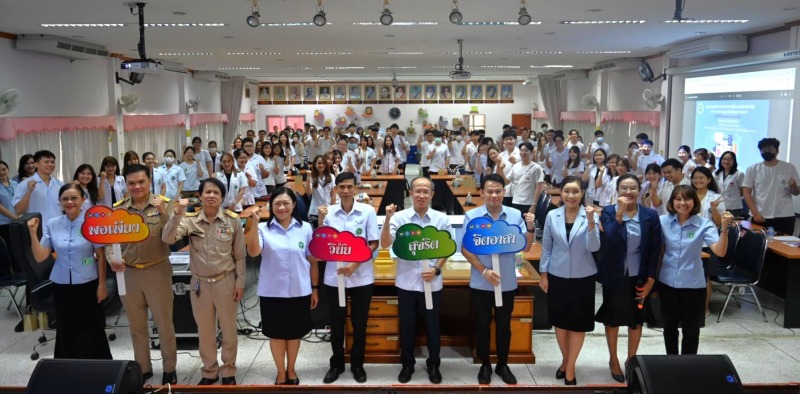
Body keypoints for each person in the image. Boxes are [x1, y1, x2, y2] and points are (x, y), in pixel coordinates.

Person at [163, 178, 246, 385]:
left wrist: (240, 283)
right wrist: (177, 214)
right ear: (199, 196)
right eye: (207, 192)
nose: (211, 196)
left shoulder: (232, 220)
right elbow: (168, 239)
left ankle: (228, 371)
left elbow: (240, 255)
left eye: (215, 193)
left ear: (222, 197)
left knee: (228, 330)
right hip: (199, 284)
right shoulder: (189, 219)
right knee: (205, 332)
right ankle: (209, 371)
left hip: (225, 281)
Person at [105, 164, 178, 384]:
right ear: (125, 184)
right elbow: (109, 242)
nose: (136, 187)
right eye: (131, 183)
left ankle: (169, 368)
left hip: (157, 271)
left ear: (150, 181)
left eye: (141, 182)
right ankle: (143, 367)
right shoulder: (118, 210)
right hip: (128, 274)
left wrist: (165, 215)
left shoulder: (164, 205)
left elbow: (173, 237)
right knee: (136, 326)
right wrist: (111, 259)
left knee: (164, 324)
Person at [462, 174, 535, 385]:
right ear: (481, 193)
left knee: (504, 325)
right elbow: (466, 248)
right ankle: (485, 364)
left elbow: (526, 246)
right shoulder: (472, 216)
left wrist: (530, 228)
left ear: (504, 192)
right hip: (481, 282)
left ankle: (503, 364)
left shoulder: (514, 215)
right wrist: (483, 270)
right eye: (490, 191)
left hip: (507, 282)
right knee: (482, 324)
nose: (494, 195)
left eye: (498, 191)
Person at [380, 177, 452, 384]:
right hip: (406, 282)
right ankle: (407, 364)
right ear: (410, 193)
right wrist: (387, 219)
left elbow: (448, 248)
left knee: (433, 326)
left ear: (432, 195)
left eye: (425, 191)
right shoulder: (399, 218)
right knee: (408, 326)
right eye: (417, 191)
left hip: (433, 283)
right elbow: (385, 244)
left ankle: (434, 364)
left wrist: (436, 269)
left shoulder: (441, 219)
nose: (421, 195)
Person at [28, 183, 111, 359]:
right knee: (66, 326)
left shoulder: (91, 223)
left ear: (83, 200)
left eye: (74, 198)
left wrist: (102, 284)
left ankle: (98, 365)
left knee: (92, 325)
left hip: (88, 282)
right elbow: (41, 256)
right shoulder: (52, 224)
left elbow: (100, 257)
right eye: (65, 199)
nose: (69, 202)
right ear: (60, 202)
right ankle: (67, 365)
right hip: (61, 284)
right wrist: (33, 234)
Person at [245, 187, 318, 385]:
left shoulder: (305, 228)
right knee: (276, 334)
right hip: (272, 291)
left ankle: (291, 370)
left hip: (300, 290)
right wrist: (252, 224)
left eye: (286, 203)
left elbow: (312, 260)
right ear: (271, 206)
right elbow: (253, 252)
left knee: (294, 334)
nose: (282, 207)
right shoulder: (262, 229)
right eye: (277, 204)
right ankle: (280, 371)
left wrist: (315, 288)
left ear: (294, 205)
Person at [595, 174, 662, 383]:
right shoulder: (607, 212)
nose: (628, 192)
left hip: (639, 274)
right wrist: (620, 214)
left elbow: (654, 249)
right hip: (615, 274)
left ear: (639, 191)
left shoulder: (650, 215)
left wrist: (651, 278)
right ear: (617, 190)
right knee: (613, 317)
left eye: (633, 188)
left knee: (636, 319)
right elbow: (611, 241)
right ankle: (613, 359)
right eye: (624, 188)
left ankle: (631, 360)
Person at [317, 172, 379, 384]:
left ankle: (357, 364)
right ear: (336, 189)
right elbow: (321, 243)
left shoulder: (367, 211)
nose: (345, 191)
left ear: (356, 188)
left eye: (349, 187)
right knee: (336, 323)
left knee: (359, 323)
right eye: (341, 187)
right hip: (334, 277)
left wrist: (354, 264)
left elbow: (373, 243)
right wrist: (320, 219)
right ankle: (336, 364)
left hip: (361, 276)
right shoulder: (329, 212)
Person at [539, 176, 600, 385]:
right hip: (557, 275)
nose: (570, 196)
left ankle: (570, 366)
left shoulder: (590, 215)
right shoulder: (552, 215)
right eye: (566, 191)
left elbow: (594, 247)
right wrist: (544, 274)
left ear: (582, 193)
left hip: (583, 276)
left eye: (575, 191)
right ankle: (565, 360)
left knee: (578, 324)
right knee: (560, 322)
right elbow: (546, 246)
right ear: (561, 192)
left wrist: (592, 222)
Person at [659, 186, 733, 355]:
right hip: (666, 282)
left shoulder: (704, 224)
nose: (682, 203)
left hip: (693, 285)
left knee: (691, 330)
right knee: (669, 327)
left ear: (695, 202)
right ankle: (671, 362)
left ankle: (688, 364)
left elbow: (719, 251)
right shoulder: (663, 221)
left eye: (687, 199)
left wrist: (724, 229)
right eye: (678, 199)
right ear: (672, 202)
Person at [742, 138, 800, 236]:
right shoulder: (753, 169)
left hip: (784, 215)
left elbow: (796, 192)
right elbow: (746, 192)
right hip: (760, 215)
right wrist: (755, 213)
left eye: (770, 149)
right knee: (759, 246)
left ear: (777, 151)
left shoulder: (789, 167)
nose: (766, 151)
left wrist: (793, 186)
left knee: (783, 247)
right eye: (763, 149)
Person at [13, 150, 64, 223]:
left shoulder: (60, 184)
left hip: (58, 228)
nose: (50, 164)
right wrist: (29, 191)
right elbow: (18, 211)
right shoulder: (24, 184)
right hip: (36, 230)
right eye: (46, 162)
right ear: (36, 164)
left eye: (52, 162)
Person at [503, 142, 545, 215]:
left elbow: (539, 188)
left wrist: (534, 205)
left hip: (529, 203)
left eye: (526, 150)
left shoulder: (536, 168)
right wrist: (500, 169)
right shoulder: (515, 166)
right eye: (521, 150)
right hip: (515, 201)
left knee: (527, 225)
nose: (523, 152)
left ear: (531, 152)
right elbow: (506, 182)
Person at [306, 155, 336, 226]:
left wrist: (333, 209)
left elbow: (333, 194)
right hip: (315, 212)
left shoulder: (331, 176)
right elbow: (308, 193)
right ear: (314, 164)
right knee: (317, 234)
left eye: (323, 163)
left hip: (328, 211)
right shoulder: (312, 176)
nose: (321, 165)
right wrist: (308, 178)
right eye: (319, 163)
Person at [714, 151, 745, 218]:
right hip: (719, 205)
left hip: (734, 207)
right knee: (720, 226)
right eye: (724, 159)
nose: (726, 161)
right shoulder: (716, 173)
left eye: (729, 159)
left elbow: (742, 191)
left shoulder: (739, 174)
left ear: (734, 161)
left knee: (733, 226)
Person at [0, 161, 19, 225]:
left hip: (19, 220)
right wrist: (14, 217)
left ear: (8, 169)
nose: (1, 172)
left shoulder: (15, 183)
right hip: (3, 223)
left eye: (4, 169)